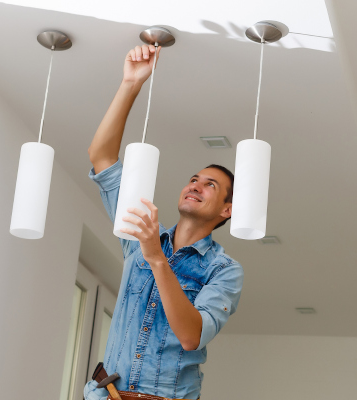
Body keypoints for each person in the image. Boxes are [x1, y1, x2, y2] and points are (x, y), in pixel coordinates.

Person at [83, 43, 244, 400]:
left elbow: (191, 335)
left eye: (210, 185)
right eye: (194, 179)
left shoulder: (224, 270)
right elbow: (103, 158)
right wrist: (131, 84)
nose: (195, 186)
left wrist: (156, 257)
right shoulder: (138, 235)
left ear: (226, 210)